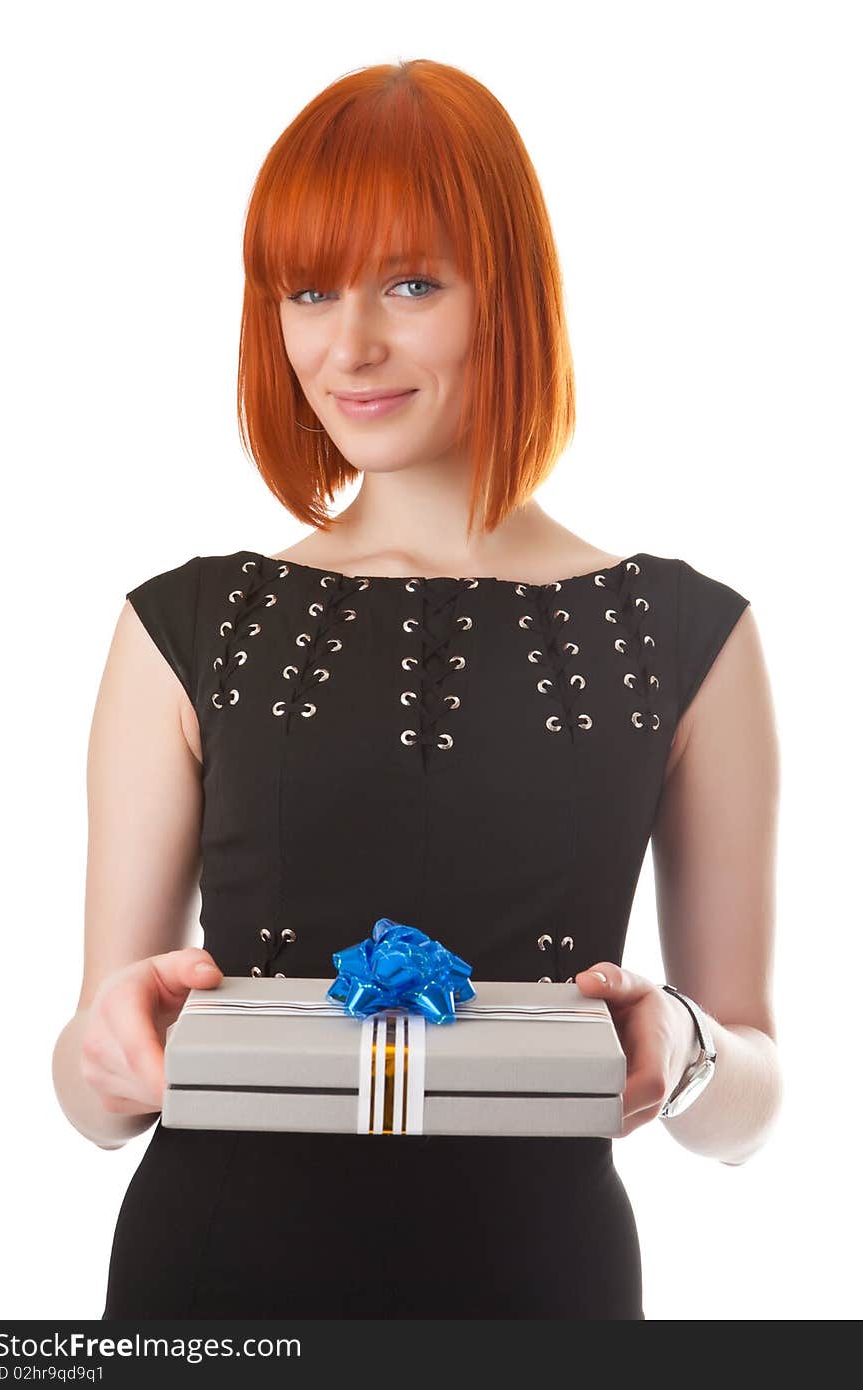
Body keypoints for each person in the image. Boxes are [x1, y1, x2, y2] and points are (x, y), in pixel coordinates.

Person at [51, 58, 782, 1320]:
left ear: (510, 292)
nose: (350, 345)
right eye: (309, 289)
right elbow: (89, 1092)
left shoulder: (688, 632)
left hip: (541, 1283)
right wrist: (108, 1050)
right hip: (209, 1288)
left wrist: (688, 1047)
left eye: (411, 282)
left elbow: (747, 1104)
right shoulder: (177, 624)